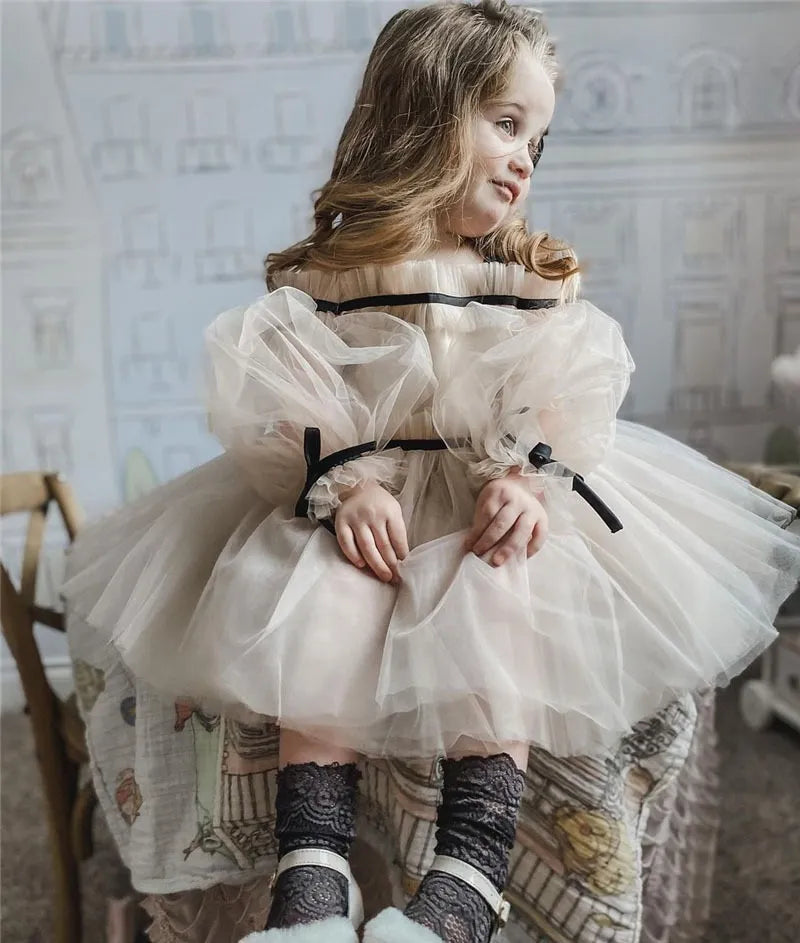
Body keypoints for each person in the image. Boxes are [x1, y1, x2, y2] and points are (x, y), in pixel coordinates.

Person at [61, 2, 800, 942]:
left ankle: (467, 881)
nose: (526, 157)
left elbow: (565, 390)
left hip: (481, 499)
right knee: (321, 589)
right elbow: (283, 392)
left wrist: (527, 476)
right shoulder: (332, 277)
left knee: (497, 582)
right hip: (368, 500)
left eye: (537, 138)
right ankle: (312, 882)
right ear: (423, 113)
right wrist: (345, 484)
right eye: (506, 123)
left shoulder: (526, 278)